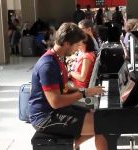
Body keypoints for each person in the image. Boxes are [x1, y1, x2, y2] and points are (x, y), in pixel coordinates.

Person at [28, 22, 108, 150]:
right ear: (66, 43)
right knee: (102, 125)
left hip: (54, 110)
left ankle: (73, 144)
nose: (77, 49)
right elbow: (56, 101)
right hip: (44, 117)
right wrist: (83, 93)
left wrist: (86, 90)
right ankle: (73, 144)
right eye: (76, 45)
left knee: (98, 116)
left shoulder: (57, 58)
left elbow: (64, 88)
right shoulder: (47, 65)